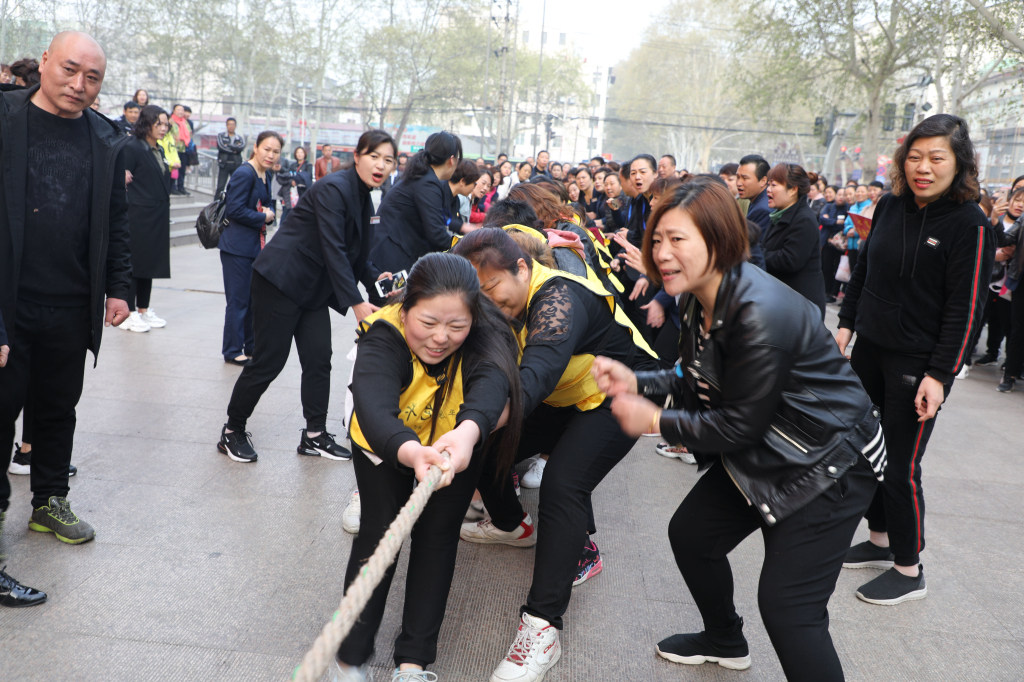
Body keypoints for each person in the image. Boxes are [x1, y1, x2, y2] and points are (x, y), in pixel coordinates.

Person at [592, 176, 882, 682]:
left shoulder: (758, 312)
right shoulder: (698, 294)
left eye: (678, 239)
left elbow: (738, 426)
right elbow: (696, 375)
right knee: (692, 534)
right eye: (657, 239)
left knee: (789, 607)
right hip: (776, 442)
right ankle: (724, 637)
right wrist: (638, 379)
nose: (661, 253)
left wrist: (655, 419)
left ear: (719, 238)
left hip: (830, 461)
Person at [452, 228, 661, 682]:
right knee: (490, 448)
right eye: (477, 296)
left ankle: (542, 628)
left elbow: (537, 373)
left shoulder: (558, 297)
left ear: (522, 269)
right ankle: (513, 526)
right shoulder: (500, 304)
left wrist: (471, 426)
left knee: (563, 482)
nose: (487, 303)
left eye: (492, 289)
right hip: (567, 394)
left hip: (621, 392)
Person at [333, 253, 523, 682]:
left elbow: (492, 388)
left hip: (453, 447)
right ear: (405, 310)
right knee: (379, 535)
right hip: (386, 445)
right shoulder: (383, 334)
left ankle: (414, 661)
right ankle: (350, 656)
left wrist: (469, 433)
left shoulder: (487, 333)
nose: (441, 338)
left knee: (437, 539)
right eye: (429, 323)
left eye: (457, 326)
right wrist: (410, 451)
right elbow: (376, 408)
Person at [836, 114, 994, 605]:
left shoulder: (971, 224)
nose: (923, 167)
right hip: (870, 349)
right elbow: (864, 270)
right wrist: (845, 325)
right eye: (915, 156)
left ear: (960, 163)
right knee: (867, 448)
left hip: (919, 363)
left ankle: (909, 569)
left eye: (937, 158)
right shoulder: (889, 205)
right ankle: (880, 541)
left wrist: (940, 375)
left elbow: (967, 308)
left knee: (902, 464)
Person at [1, 32, 132, 556]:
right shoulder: (6, 119)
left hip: (71, 303)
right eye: (70, 69)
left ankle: (49, 500)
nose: (79, 85)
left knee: (58, 408)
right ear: (46, 61)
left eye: (93, 78)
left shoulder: (104, 138)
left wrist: (119, 287)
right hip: (10, 302)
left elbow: (116, 222)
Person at [218, 130, 396, 464]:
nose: (381, 165)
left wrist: (376, 278)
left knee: (318, 359)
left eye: (388, 160)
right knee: (269, 361)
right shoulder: (334, 188)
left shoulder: (364, 195)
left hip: (312, 288)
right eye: (375, 156)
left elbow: (353, 252)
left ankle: (314, 435)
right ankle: (232, 430)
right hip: (280, 281)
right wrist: (356, 302)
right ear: (357, 156)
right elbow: (333, 247)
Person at [368, 131, 462, 301]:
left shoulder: (423, 177)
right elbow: (437, 235)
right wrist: (466, 247)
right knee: (388, 315)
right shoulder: (428, 183)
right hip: (390, 263)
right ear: (452, 160)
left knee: (392, 316)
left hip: (389, 257)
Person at [218, 131, 282, 367]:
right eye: (267, 149)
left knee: (252, 300)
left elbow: (265, 205)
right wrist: (262, 217)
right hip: (237, 248)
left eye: (276, 151)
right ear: (256, 147)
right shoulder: (245, 172)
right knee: (238, 301)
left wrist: (268, 215)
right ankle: (232, 350)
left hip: (254, 247)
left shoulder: (263, 174)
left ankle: (251, 345)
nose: (271, 155)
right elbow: (234, 209)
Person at [120, 105, 172, 333]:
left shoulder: (157, 149)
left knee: (149, 265)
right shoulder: (132, 146)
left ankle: (143, 309)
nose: (163, 128)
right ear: (147, 123)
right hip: (138, 215)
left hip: (155, 216)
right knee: (134, 265)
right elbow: (120, 175)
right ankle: (128, 313)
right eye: (158, 123)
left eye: (166, 124)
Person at [763, 163, 826, 318]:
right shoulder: (779, 215)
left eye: (774, 185)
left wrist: (756, 254)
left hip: (800, 308)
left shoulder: (804, 219)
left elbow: (789, 260)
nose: (768, 190)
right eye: (768, 185)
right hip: (784, 303)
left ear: (793, 190)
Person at [736, 154, 771, 235]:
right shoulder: (758, 201)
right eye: (737, 177)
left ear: (763, 181)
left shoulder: (762, 210)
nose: (738, 183)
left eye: (745, 178)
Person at [277, 146, 313, 224]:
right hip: (291, 192)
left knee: (300, 211)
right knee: (287, 210)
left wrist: (296, 179)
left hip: (302, 192)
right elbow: (288, 175)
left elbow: (308, 176)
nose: (299, 154)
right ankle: (282, 228)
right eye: (297, 152)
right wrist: (291, 181)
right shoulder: (293, 165)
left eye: (301, 152)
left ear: (304, 154)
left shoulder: (308, 165)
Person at [447, 159, 481, 235]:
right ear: (462, 181)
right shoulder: (439, 192)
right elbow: (438, 219)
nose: (474, 188)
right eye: (474, 184)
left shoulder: (456, 199)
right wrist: (463, 227)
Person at [216, 117, 246, 197]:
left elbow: (241, 147)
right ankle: (216, 206)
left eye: (233, 124)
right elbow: (221, 147)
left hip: (236, 165)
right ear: (226, 125)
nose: (231, 126)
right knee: (220, 187)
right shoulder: (221, 136)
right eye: (229, 124)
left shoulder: (239, 138)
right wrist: (234, 150)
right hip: (224, 165)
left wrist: (228, 146)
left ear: (235, 126)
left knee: (236, 186)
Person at [169, 104, 191, 195]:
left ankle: (181, 187)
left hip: (184, 149)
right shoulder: (170, 121)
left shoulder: (185, 122)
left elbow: (190, 134)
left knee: (182, 170)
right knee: (174, 168)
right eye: (178, 110)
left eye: (182, 110)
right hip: (173, 149)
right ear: (174, 111)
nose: (180, 112)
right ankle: (172, 187)